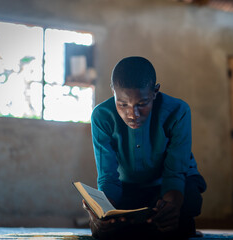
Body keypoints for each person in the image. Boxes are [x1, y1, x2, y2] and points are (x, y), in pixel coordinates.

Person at [83, 56, 206, 240]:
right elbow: (108, 178)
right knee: (104, 230)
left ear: (155, 92)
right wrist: (102, 213)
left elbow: (175, 174)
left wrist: (171, 209)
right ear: (113, 92)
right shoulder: (101, 116)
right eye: (122, 104)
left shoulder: (178, 111)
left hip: (169, 185)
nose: (132, 114)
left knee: (188, 203)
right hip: (129, 188)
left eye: (142, 104)